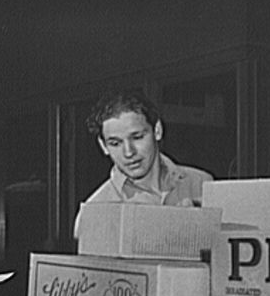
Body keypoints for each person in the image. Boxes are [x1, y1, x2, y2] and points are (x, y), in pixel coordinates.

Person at [73, 89, 214, 238]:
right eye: (115, 143)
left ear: (157, 131)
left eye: (137, 137)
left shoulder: (201, 184)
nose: (128, 152)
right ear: (103, 146)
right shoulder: (95, 211)